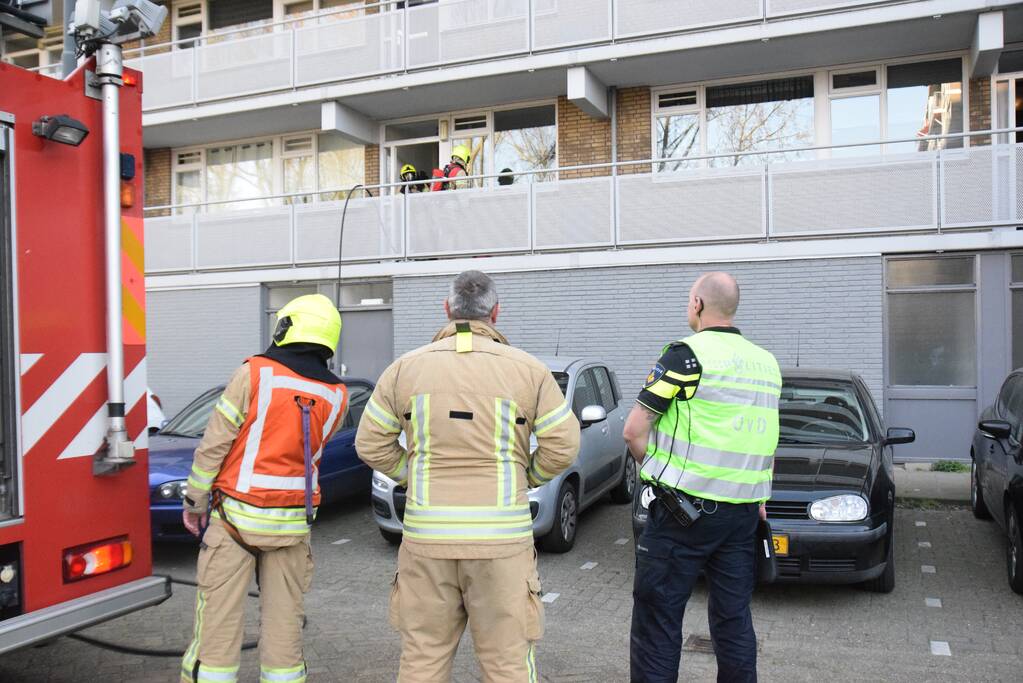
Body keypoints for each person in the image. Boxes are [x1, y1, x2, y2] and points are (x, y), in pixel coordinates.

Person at [356, 270, 580, 683]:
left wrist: (412, 476)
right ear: (495, 312)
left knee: (423, 661)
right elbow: (564, 445)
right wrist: (527, 476)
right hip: (501, 547)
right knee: (507, 665)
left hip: (427, 542)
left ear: (448, 310)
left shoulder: (405, 369)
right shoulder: (529, 371)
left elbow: (369, 444)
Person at [180, 294, 349, 683]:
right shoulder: (337, 395)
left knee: (218, 623)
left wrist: (195, 500)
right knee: (285, 625)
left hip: (234, 522)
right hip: (291, 528)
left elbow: (216, 442)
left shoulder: (255, 373)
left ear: (286, 327)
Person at [623, 272, 780, 683]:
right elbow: (766, 439)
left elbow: (634, 431)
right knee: (733, 620)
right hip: (744, 515)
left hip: (682, 514)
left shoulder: (685, 356)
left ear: (697, 304)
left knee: (658, 620)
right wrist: (758, 497)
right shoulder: (767, 364)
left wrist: (657, 475)